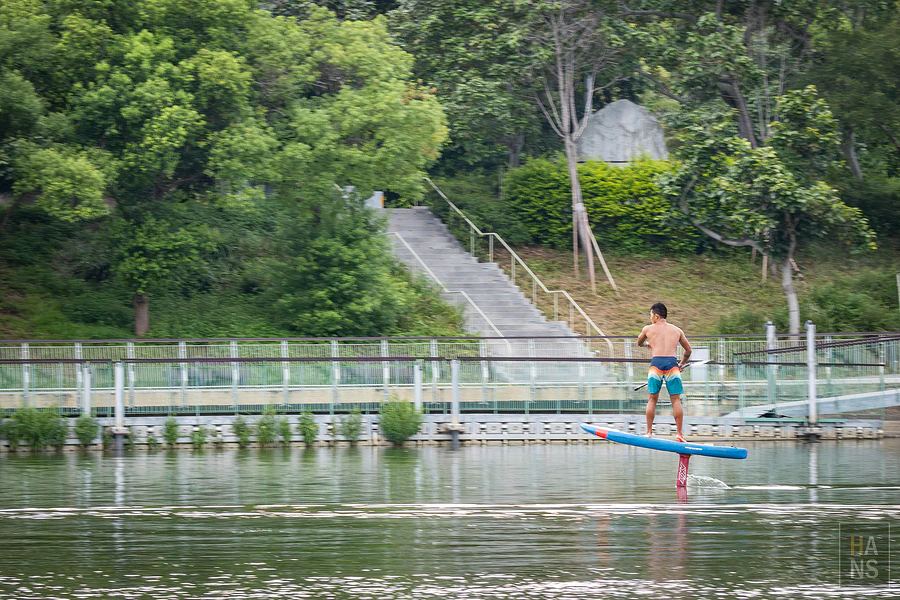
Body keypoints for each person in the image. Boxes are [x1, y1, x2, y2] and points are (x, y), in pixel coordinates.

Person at [636, 302, 691, 441]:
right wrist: (681, 364)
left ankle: (649, 432)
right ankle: (679, 434)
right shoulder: (677, 330)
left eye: (651, 316)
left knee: (652, 400)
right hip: (672, 365)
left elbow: (639, 342)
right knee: (676, 400)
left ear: (656, 316)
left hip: (656, 365)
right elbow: (688, 350)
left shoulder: (648, 329)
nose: (650, 319)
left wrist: (648, 344)